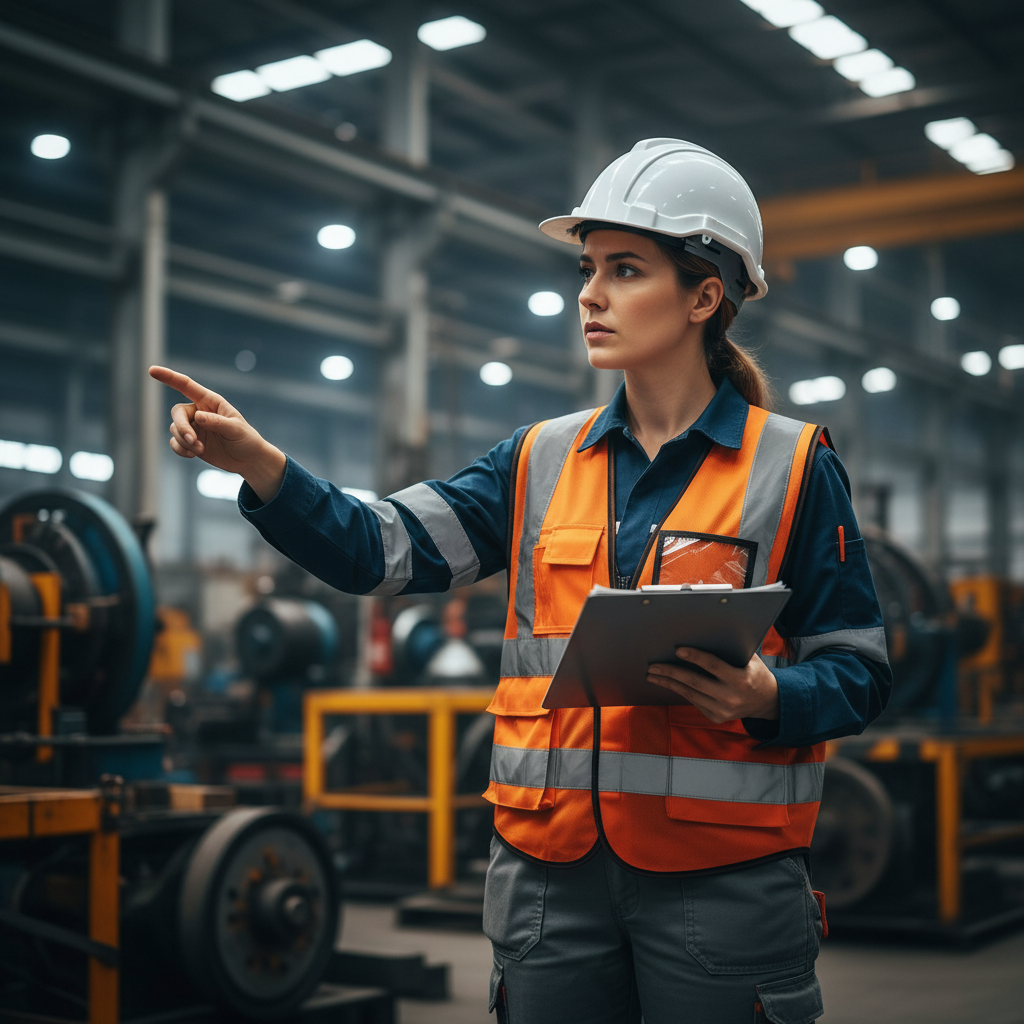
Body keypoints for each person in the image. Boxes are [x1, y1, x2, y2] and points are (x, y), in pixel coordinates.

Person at [151, 138, 890, 1024]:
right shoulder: (537, 460)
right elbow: (379, 549)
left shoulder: (793, 467)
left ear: (704, 297)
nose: (590, 294)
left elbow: (858, 668)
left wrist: (769, 696)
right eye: (588, 268)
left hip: (722, 884)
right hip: (550, 882)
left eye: (625, 269)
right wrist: (264, 468)